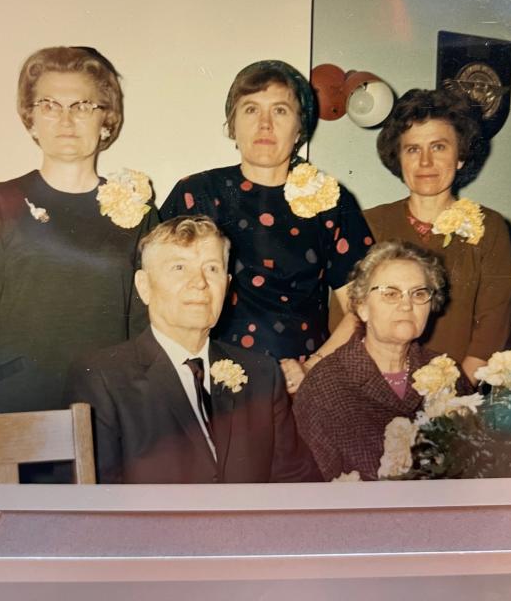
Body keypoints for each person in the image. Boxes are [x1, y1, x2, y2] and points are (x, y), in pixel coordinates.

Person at [0, 46, 158, 416]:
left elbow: (148, 331)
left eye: (82, 106)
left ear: (107, 120)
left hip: (108, 409)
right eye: (50, 105)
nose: (66, 121)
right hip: (19, 407)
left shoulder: (137, 211)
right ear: (31, 119)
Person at [160, 60, 373, 391]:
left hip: (300, 385)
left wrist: (313, 368)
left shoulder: (330, 199)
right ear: (232, 125)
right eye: (250, 110)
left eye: (280, 111)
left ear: (300, 127)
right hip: (210, 385)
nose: (264, 124)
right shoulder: (196, 194)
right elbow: (159, 298)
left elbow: (364, 307)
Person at [66, 216, 319, 484]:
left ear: (227, 284)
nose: (199, 282)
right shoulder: (102, 379)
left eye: (211, 269)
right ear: (144, 287)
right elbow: (97, 509)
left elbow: (297, 485)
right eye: (179, 267)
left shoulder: (262, 375)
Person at [362, 86, 511, 383]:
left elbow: (491, 330)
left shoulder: (490, 228)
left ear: (460, 156)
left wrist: (449, 404)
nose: (425, 162)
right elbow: (348, 318)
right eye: (413, 149)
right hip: (374, 388)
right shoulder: (369, 223)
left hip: (454, 393)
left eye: (439, 147)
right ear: (399, 158)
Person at [293, 241, 473, 481]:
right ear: (362, 307)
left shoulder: (448, 373)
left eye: (419, 293)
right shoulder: (325, 385)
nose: (407, 304)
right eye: (390, 293)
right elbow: (312, 487)